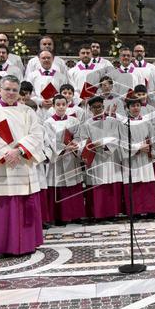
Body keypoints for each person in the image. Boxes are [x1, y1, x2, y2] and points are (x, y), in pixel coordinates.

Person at [0, 75, 45, 256]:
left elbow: (36, 134)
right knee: (1, 208)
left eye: (15, 90)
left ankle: (24, 245)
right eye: (7, 89)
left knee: (21, 206)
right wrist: (6, 153)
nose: (11, 93)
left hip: (21, 162)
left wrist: (19, 150)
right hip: (0, 167)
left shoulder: (28, 111)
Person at [43, 94, 86, 226]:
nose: (61, 107)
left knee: (73, 186)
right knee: (58, 187)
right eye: (58, 104)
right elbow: (49, 141)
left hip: (72, 158)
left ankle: (75, 215)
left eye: (64, 104)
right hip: (58, 160)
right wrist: (63, 148)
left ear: (67, 105)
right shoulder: (48, 122)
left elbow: (80, 137)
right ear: (53, 106)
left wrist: (76, 145)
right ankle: (59, 216)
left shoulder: (74, 121)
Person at [79, 96, 122, 220]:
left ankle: (111, 213)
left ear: (103, 107)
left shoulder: (112, 121)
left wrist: (104, 146)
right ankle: (97, 213)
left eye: (100, 107)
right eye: (94, 107)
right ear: (90, 109)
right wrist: (91, 146)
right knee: (97, 185)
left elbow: (116, 137)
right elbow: (83, 141)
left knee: (109, 184)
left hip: (109, 158)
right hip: (95, 158)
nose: (98, 109)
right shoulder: (87, 124)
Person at [117, 98, 155, 218]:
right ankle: (135, 211)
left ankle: (150, 210)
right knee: (134, 184)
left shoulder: (147, 121)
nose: (136, 108)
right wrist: (139, 148)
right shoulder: (124, 123)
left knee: (147, 182)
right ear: (127, 108)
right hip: (132, 159)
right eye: (133, 106)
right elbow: (123, 141)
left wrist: (151, 149)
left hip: (145, 157)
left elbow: (153, 138)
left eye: (138, 105)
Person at [30, 51, 68, 118]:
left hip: (55, 109)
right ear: (39, 59)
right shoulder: (32, 75)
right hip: (38, 109)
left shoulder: (61, 76)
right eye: (43, 58)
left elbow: (63, 93)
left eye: (48, 58)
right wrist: (40, 102)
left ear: (53, 59)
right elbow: (30, 92)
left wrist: (53, 101)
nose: (46, 60)